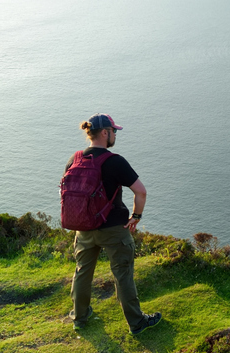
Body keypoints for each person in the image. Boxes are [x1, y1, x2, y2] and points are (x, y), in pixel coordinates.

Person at [66, 113, 162, 335]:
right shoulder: (114, 161)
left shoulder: (75, 158)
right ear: (104, 133)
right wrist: (136, 217)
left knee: (82, 272)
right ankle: (136, 323)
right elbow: (141, 192)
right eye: (114, 131)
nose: (115, 135)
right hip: (113, 229)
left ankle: (80, 317)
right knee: (123, 274)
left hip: (84, 228)